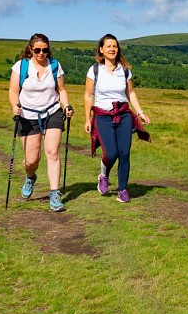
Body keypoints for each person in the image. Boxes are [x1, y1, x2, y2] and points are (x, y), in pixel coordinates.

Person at [8, 33, 74, 212]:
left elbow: (61, 89)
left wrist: (66, 105)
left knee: (52, 153)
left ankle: (55, 194)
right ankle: (30, 177)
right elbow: (14, 91)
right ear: (30, 49)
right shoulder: (21, 66)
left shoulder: (54, 65)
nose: (41, 53)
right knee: (31, 160)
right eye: (37, 50)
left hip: (52, 112)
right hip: (27, 116)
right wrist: (15, 105)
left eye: (45, 50)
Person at [84, 34, 150, 203]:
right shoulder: (95, 70)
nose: (112, 49)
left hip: (124, 115)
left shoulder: (125, 70)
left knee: (124, 153)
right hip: (103, 116)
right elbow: (88, 95)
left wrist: (140, 112)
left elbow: (131, 93)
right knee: (111, 153)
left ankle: (122, 190)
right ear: (101, 49)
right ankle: (103, 175)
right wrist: (87, 118)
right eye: (108, 46)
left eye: (115, 46)